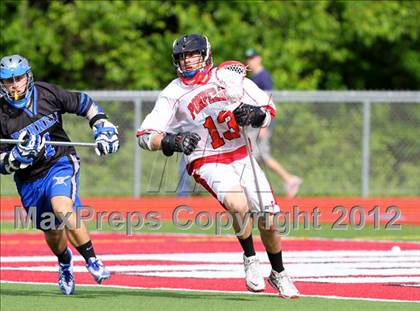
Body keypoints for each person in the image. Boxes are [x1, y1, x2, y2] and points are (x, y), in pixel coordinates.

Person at [137, 34, 299, 298]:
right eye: (183, 57)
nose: (188, 61)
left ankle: (278, 272)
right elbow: (145, 136)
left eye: (193, 55)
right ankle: (250, 258)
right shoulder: (173, 93)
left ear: (206, 55)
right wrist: (170, 140)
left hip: (241, 153)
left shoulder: (228, 79)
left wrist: (256, 116)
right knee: (238, 205)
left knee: (268, 219)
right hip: (206, 157)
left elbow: (268, 108)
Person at [0, 55, 120, 295]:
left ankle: (92, 259)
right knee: (52, 230)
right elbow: (1, 163)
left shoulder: (46, 93)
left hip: (60, 162)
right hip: (29, 179)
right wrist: (15, 158)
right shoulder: (1, 114)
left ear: (28, 76)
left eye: (19, 78)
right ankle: (65, 262)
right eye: (8, 80)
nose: (15, 84)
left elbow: (84, 103)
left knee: (63, 207)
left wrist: (102, 126)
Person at [245, 48, 302, 198]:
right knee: (258, 155)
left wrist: (265, 124)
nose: (249, 61)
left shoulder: (263, 77)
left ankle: (284, 181)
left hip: (261, 123)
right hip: (254, 124)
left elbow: (268, 101)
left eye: (252, 58)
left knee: (257, 156)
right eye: (248, 58)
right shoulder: (254, 78)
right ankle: (288, 180)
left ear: (259, 59)